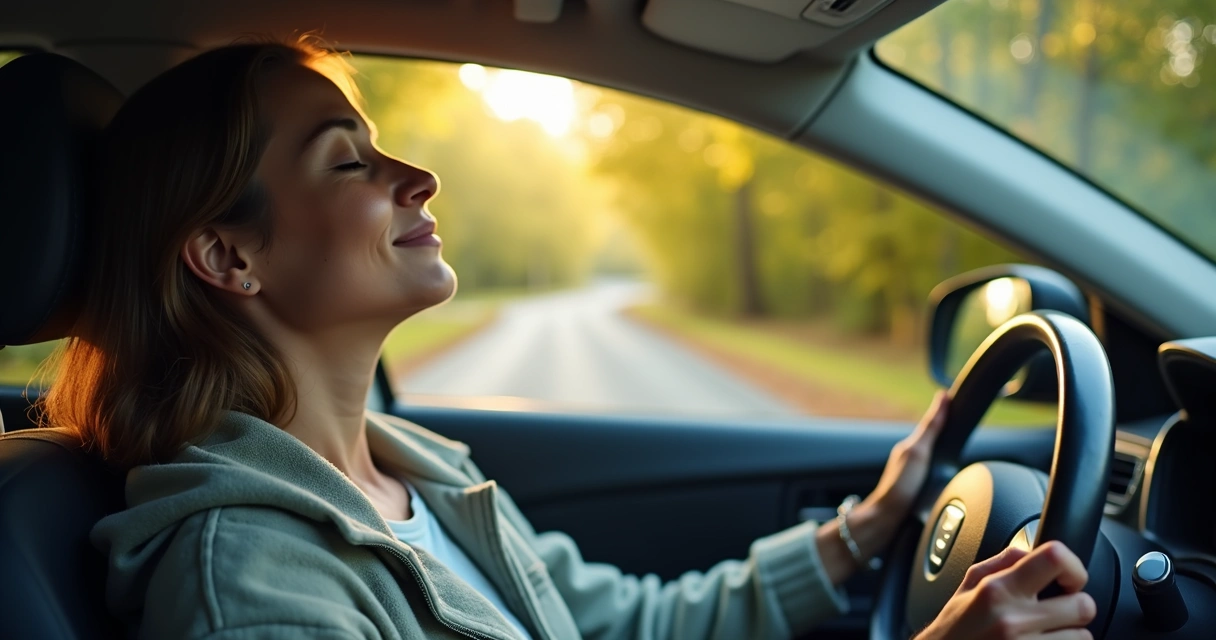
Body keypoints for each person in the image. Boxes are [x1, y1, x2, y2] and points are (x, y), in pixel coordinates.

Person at [42, 38, 1097, 640]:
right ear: (230, 259)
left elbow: (627, 625)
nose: (419, 176)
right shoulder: (247, 581)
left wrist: (865, 527)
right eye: (349, 162)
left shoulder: (418, 474)